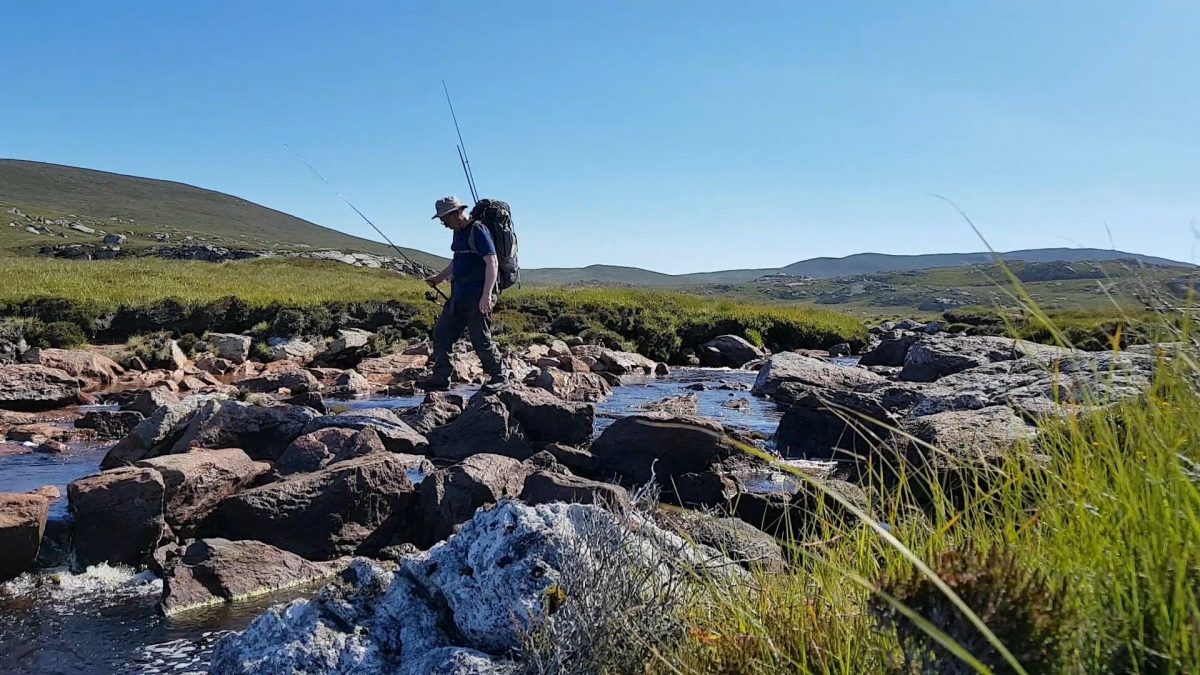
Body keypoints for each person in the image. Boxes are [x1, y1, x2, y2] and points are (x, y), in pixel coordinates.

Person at [420, 195, 508, 391]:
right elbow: (456, 262)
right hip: (459, 295)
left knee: (480, 338)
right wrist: (438, 279)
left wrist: (486, 295)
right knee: (442, 333)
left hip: (478, 295)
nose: (443, 223)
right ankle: (441, 378)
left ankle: (500, 376)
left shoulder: (478, 230)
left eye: (444, 218)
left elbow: (492, 262)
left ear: (456, 213)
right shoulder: (458, 233)